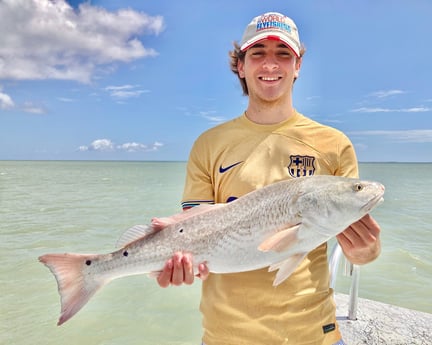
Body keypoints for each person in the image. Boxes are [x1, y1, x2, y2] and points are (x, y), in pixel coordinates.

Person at [156, 11, 381, 345]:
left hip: (314, 334)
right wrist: (179, 261)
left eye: (283, 54)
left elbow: (355, 250)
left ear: (298, 66)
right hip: (224, 336)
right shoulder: (209, 144)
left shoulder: (334, 144)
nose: (271, 65)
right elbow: (196, 225)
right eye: (258, 53)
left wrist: (366, 250)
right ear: (240, 66)